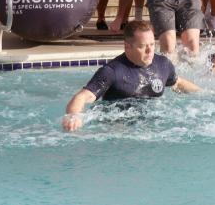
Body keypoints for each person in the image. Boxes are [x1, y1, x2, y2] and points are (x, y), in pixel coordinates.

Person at [62, 21, 201, 132]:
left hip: (153, 127)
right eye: (143, 46)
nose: (150, 50)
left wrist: (205, 94)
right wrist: (74, 116)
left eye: (152, 44)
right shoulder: (112, 71)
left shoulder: (163, 64)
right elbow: (82, 97)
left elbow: (177, 82)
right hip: (119, 128)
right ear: (127, 47)